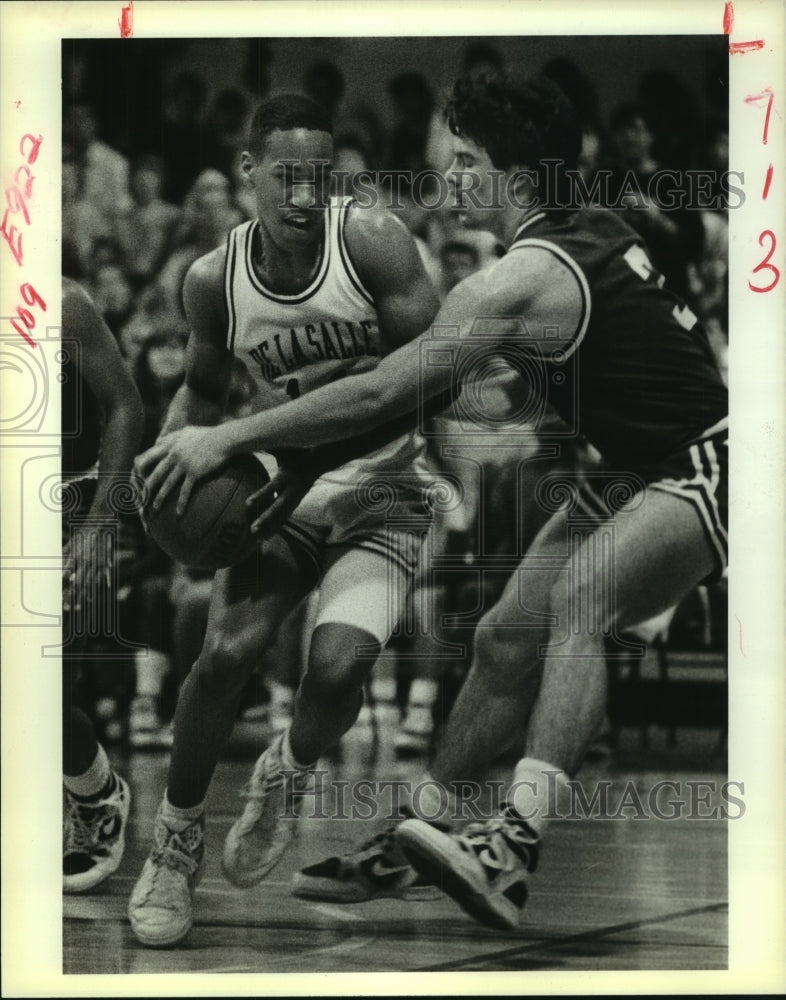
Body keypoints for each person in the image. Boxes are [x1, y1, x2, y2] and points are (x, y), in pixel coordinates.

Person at [163, 74, 728, 928]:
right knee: (505, 634)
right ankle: (421, 830)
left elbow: (384, 396)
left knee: (581, 601)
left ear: (518, 179)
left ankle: (514, 842)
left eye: (466, 161)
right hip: (637, 466)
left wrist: (232, 438)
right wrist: (346, 413)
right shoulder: (587, 233)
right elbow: (503, 399)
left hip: (715, 460)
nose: (449, 178)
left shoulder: (514, 281)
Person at [128, 93, 441, 947]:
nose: (304, 194)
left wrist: (301, 458)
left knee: (337, 673)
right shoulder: (212, 280)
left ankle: (289, 769)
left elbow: (431, 380)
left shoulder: (372, 242)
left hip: (383, 488)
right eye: (285, 176)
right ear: (250, 174)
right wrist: (166, 463)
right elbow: (199, 388)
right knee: (224, 654)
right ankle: (174, 844)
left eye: (318, 175)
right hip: (281, 493)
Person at [61, 277, 144, 892]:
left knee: (38, 693)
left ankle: (97, 795)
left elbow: (125, 406)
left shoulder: (62, 301)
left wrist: (101, 522)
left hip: (67, 503)